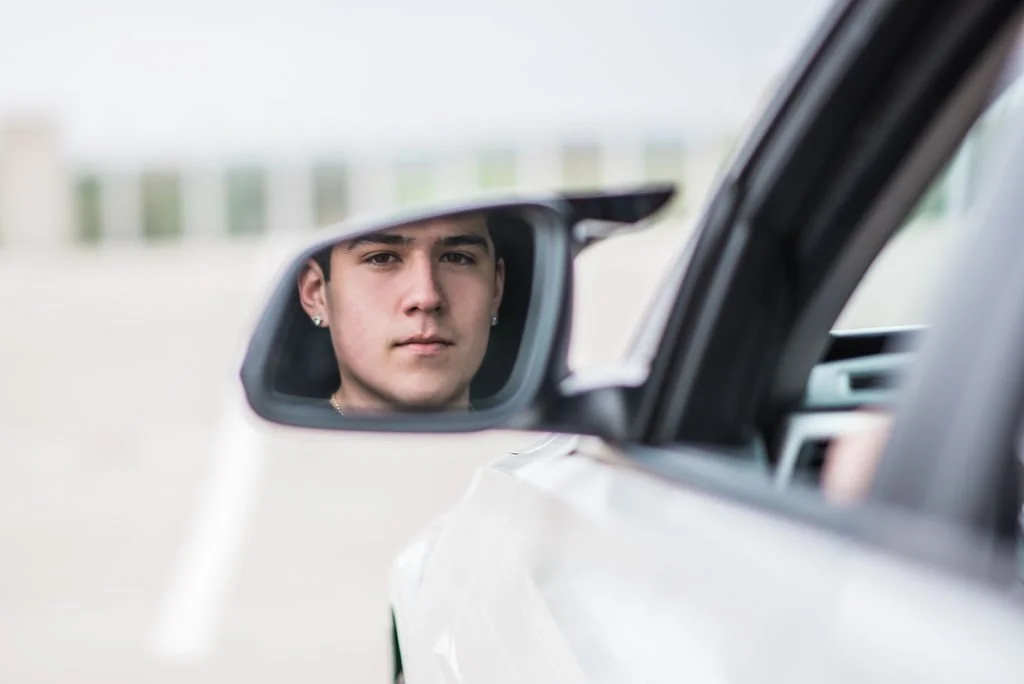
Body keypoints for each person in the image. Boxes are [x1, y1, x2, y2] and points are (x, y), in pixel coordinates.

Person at [296, 211, 505, 415]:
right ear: (317, 293)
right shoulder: (274, 445)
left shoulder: (531, 444)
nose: (426, 297)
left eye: (457, 258)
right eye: (382, 258)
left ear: (496, 289)